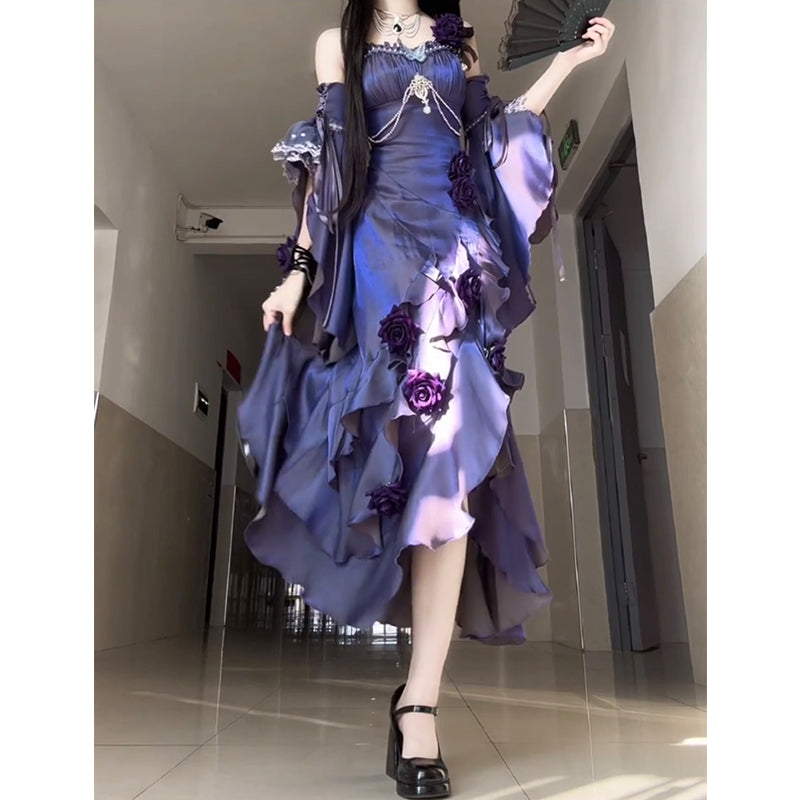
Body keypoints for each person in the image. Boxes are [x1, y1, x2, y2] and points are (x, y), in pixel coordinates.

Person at [238, 2, 614, 796]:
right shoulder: (337, 45)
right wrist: (298, 273)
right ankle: (408, 683)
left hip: (455, 247)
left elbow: (490, 139)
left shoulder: (459, 42)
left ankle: (420, 704)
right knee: (398, 449)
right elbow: (329, 166)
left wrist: (566, 65)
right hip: (379, 249)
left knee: (449, 461)